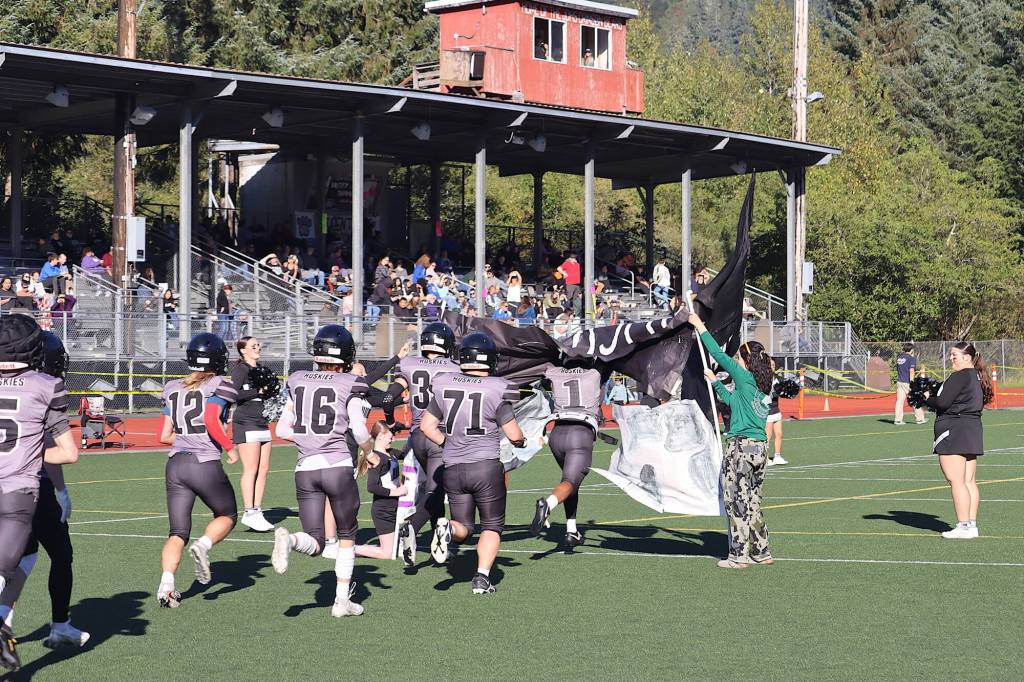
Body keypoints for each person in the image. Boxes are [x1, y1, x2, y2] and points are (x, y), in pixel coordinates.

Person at [271, 325, 372, 617]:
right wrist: (369, 452)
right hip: (337, 464)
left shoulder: (298, 380)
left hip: (305, 467)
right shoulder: (349, 382)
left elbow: (281, 429)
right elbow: (358, 427)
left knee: (315, 541)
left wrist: (308, 439)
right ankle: (342, 601)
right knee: (347, 535)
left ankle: (289, 541)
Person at [0, 332, 89, 649]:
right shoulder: (41, 388)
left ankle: (5, 618)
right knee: (61, 555)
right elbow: (57, 449)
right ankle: (60, 624)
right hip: (29, 486)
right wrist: (62, 491)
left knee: (25, 554)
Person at [420, 332, 525, 594]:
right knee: (491, 525)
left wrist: (448, 442)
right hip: (485, 466)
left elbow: (426, 426)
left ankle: (448, 528)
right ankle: (481, 578)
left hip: (453, 467)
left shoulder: (445, 384)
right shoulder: (496, 388)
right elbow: (514, 435)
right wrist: (522, 442)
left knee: (464, 527)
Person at [156, 333, 240, 608]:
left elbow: (164, 435)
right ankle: (203, 546)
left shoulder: (172, 387)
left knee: (177, 531)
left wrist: (186, 439)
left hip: (176, 462)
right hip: (203, 463)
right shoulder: (220, 385)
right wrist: (229, 447)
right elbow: (211, 420)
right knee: (227, 515)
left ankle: (166, 584)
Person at [690, 313, 774, 569]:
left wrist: (699, 325)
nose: (736, 361)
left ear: (747, 362)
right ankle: (761, 550)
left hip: (741, 448)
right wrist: (715, 383)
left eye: (739, 358)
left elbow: (718, 355)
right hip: (759, 449)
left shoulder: (745, 377)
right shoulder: (762, 383)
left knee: (736, 500)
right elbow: (733, 403)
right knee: (753, 501)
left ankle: (739, 555)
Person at [382, 322, 459, 566]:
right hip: (440, 434)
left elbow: (387, 398)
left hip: (416, 436)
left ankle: (441, 542)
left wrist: (391, 422)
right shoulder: (453, 367)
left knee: (431, 487)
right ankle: (412, 527)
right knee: (436, 492)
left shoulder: (409, 364)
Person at [530, 363, 603, 547]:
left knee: (570, 483)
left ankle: (572, 531)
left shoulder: (553, 370)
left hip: (558, 432)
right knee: (570, 482)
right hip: (581, 432)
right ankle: (548, 504)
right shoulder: (595, 371)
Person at [925, 342, 992, 539]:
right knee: (969, 480)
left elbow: (943, 402)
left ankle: (964, 526)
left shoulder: (961, 375)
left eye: (955, 355)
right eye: (951, 355)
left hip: (954, 428)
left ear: (967, 357)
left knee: (957, 480)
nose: (952, 358)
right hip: (971, 428)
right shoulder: (976, 375)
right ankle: (971, 525)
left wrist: (927, 398)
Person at [230, 337, 276, 532]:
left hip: (261, 421)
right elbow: (233, 394)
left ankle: (257, 510)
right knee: (250, 469)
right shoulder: (240, 369)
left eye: (259, 345)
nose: (258, 347)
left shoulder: (261, 369)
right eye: (253, 346)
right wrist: (259, 391)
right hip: (246, 421)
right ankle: (249, 511)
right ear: (243, 351)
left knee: (263, 468)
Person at [354, 422, 407, 560]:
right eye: (390, 437)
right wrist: (396, 492)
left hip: (395, 508)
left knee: (394, 549)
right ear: (381, 437)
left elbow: (407, 454)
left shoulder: (390, 453)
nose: (393, 440)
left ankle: (350, 548)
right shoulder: (376, 459)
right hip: (383, 510)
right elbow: (372, 487)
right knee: (387, 554)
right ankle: (347, 549)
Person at [894, 343, 925, 425]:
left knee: (899, 401)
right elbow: (911, 370)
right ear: (911, 350)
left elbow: (898, 369)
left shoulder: (899, 358)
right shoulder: (911, 359)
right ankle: (920, 419)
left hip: (900, 381)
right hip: (907, 382)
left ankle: (898, 420)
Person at [765, 358, 787, 466]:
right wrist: (772, 394)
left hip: (776, 410)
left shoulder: (777, 378)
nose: (772, 366)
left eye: (773, 365)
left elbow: (783, 391)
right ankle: (765, 457)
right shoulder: (763, 379)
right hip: (767, 411)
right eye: (770, 364)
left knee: (779, 433)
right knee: (768, 436)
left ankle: (777, 456)